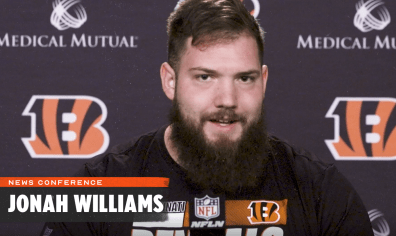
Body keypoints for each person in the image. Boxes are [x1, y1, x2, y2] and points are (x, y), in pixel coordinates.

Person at [42, 0, 373, 235]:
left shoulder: (319, 192)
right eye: (205, 77)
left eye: (244, 78)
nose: (227, 100)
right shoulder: (104, 189)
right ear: (170, 81)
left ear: (264, 81)